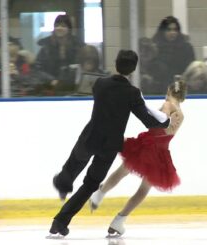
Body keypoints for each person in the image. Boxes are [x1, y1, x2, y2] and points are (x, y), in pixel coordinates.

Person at [48, 49, 179, 237]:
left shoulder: (100, 84)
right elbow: (148, 119)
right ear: (133, 69)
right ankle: (60, 222)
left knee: (73, 165)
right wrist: (166, 121)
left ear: (115, 63)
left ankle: (62, 184)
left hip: (90, 137)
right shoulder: (132, 93)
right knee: (91, 184)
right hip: (109, 146)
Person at [89, 76, 187, 237]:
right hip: (161, 152)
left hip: (148, 146)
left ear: (169, 90)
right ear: (183, 96)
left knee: (122, 171)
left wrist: (142, 102)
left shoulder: (168, 104)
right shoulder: (181, 114)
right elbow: (168, 132)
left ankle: (99, 194)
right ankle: (118, 221)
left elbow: (159, 119)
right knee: (142, 190)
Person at [35, 14, 84, 96]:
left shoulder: (77, 46)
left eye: (63, 26)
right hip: (50, 89)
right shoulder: (46, 46)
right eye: (57, 25)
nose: (59, 28)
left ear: (69, 29)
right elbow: (37, 69)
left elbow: (82, 66)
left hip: (73, 89)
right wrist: (51, 80)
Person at [151, 16, 195, 94]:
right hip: (158, 89)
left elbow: (191, 70)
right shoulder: (155, 48)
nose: (172, 33)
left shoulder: (186, 48)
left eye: (175, 30)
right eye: (168, 29)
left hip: (181, 87)